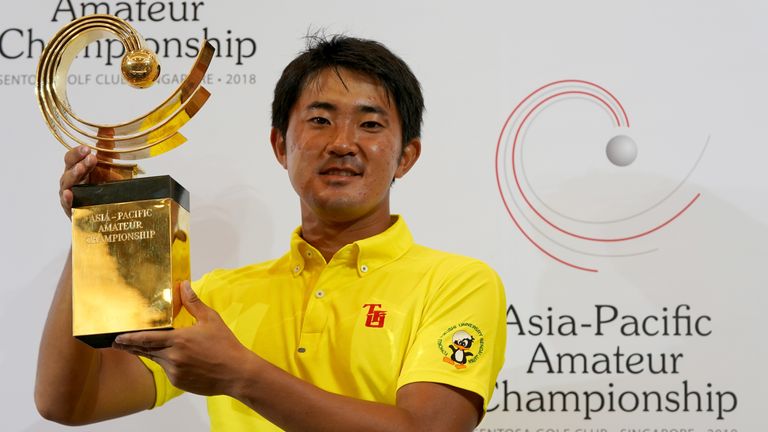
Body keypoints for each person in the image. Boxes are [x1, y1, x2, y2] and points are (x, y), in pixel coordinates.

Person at [36, 35, 506, 431]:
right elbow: (70, 402)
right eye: (320, 120)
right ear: (281, 145)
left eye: (370, 124)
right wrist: (93, 230)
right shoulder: (218, 295)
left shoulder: (457, 283)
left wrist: (241, 375)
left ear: (406, 155)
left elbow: (426, 429)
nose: (343, 143)